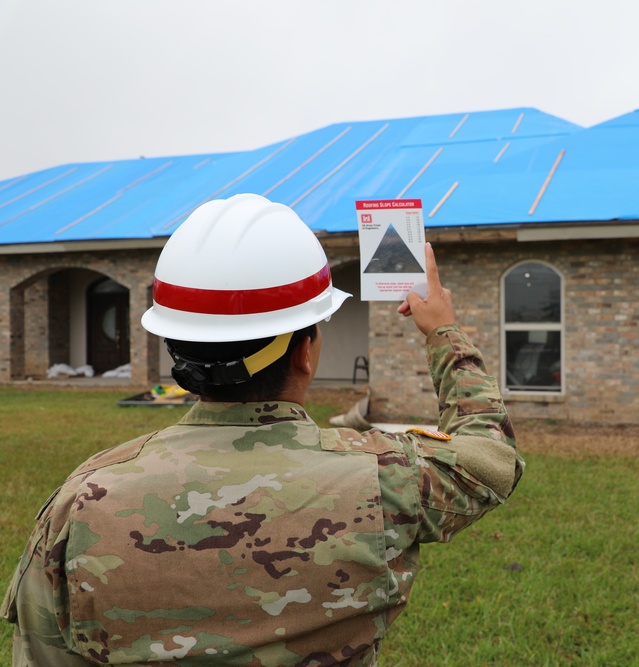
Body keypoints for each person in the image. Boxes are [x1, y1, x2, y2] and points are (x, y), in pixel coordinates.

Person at [2, 193, 523, 666]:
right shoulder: (385, 482)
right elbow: (490, 455)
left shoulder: (83, 501)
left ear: (175, 348)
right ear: (306, 350)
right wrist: (443, 333)